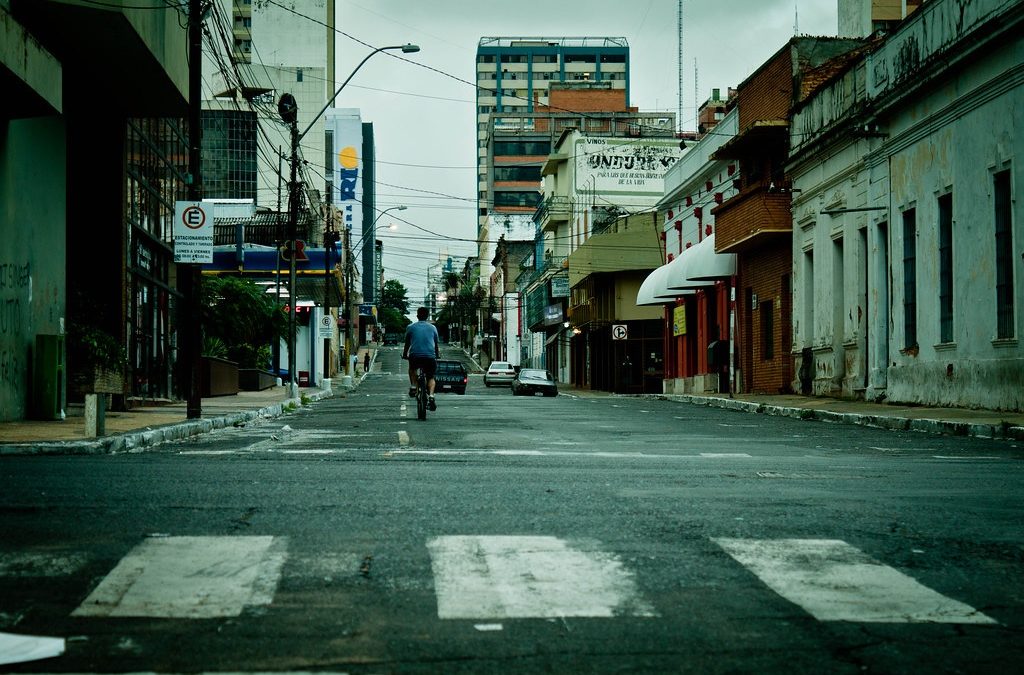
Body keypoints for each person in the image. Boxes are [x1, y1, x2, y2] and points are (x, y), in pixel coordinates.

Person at [402, 306, 440, 410]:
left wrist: (405, 354)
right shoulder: (433, 328)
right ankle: (431, 396)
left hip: (415, 356)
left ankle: (414, 385)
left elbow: (407, 343)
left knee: (412, 369)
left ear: (417, 316)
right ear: (427, 316)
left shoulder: (411, 327)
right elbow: (436, 344)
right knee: (431, 377)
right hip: (430, 357)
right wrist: (437, 355)